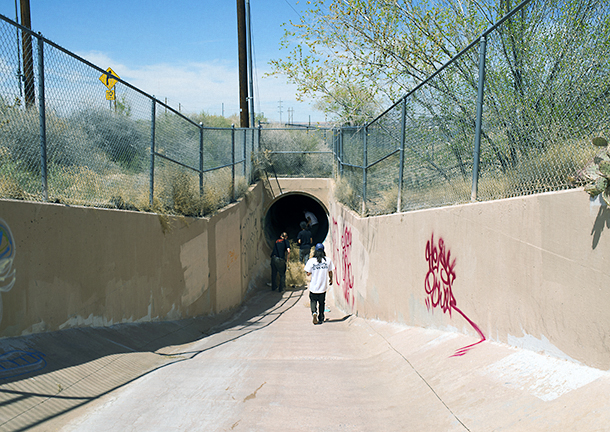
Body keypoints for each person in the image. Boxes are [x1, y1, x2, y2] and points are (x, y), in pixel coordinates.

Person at [304, 243, 334, 325]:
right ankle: (321, 317)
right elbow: (330, 271)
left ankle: (314, 312)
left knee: (313, 300)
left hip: (314, 286)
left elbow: (308, 273)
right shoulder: (327, 260)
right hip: (323, 287)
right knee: (322, 302)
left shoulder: (311, 261)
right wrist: (331, 279)